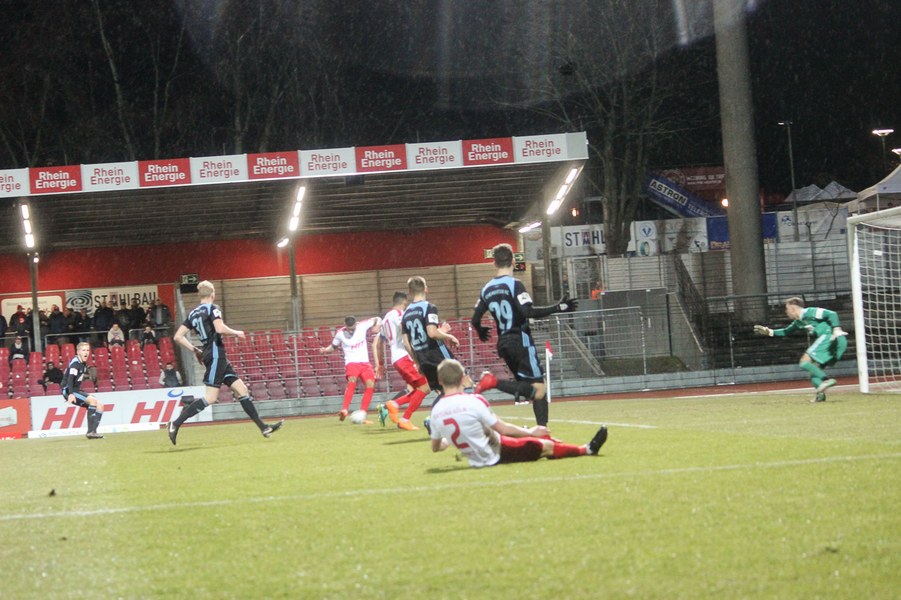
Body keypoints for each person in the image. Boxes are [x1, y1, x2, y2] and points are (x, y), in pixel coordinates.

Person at [470, 243, 578, 426]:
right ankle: (492, 382)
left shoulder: (487, 289)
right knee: (539, 389)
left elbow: (475, 319)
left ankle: (541, 431)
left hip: (504, 343)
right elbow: (528, 312)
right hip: (520, 341)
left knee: (531, 389)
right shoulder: (515, 285)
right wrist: (558, 308)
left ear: (494, 263)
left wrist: (481, 331)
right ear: (513, 261)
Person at [428, 359, 608, 468]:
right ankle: (586, 449)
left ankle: (553, 441)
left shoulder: (436, 411)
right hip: (496, 453)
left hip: (480, 453)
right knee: (545, 445)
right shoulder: (473, 401)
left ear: (440, 381)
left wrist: (449, 440)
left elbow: (436, 447)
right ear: (462, 378)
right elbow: (503, 428)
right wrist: (531, 432)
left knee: (532, 436)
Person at [168, 280, 284, 444]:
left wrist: (195, 350)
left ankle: (263, 427)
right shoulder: (212, 308)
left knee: (241, 390)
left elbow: (178, 336)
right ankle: (175, 423)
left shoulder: (193, 314)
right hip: (216, 354)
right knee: (210, 397)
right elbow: (220, 328)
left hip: (212, 354)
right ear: (212, 294)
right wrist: (237, 332)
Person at [754, 296, 848, 402]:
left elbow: (832, 314)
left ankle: (826, 381)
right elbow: (786, 331)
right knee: (814, 371)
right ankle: (820, 396)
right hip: (833, 343)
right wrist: (769, 332)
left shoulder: (810, 312)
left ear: (793, 308)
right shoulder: (798, 322)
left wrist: (836, 329)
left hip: (831, 338)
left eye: (787, 309)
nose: (786, 312)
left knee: (804, 361)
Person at [372, 291, 429, 431]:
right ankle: (404, 418)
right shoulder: (399, 315)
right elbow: (405, 329)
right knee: (425, 388)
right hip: (404, 356)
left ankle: (394, 405)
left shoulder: (385, 319)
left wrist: (380, 364)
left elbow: (379, 344)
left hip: (395, 358)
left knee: (418, 389)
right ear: (404, 302)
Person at [401, 276, 459, 401]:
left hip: (423, 359)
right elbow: (432, 333)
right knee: (462, 382)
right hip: (438, 356)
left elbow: (406, 343)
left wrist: (417, 362)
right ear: (426, 289)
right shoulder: (429, 307)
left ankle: (437, 413)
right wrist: (449, 336)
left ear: (410, 292)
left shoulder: (405, 314)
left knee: (442, 391)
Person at [320, 315, 382, 423]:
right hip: (351, 362)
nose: (351, 330)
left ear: (356, 324)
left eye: (353, 328)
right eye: (349, 329)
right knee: (352, 380)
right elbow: (333, 347)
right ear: (345, 325)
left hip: (365, 363)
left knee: (370, 384)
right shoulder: (340, 333)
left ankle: (363, 413)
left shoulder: (363, 325)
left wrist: (377, 326)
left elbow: (377, 319)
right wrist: (325, 350)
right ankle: (344, 409)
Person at [61, 342, 105, 439]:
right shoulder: (75, 363)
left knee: (100, 406)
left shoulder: (83, 364)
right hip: (69, 391)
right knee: (93, 401)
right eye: (83, 350)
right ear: (78, 352)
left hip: (76, 390)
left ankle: (93, 432)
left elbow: (77, 377)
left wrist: (87, 376)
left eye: (88, 350)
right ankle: (90, 432)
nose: (86, 352)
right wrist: (71, 394)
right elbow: (70, 379)